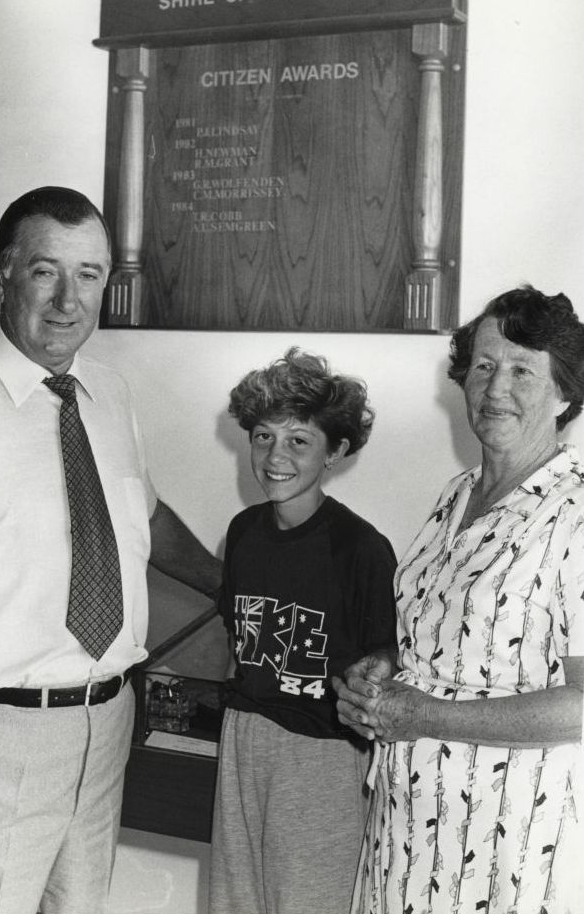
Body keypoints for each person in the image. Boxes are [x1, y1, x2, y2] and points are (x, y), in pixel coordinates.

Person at [0, 186, 221, 914]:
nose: (67, 299)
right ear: (2, 272)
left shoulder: (107, 395)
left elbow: (136, 515)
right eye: (45, 270)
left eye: (89, 274)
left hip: (102, 731)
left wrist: (228, 581)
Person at [334, 286, 584, 914]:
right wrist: (386, 674)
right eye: (483, 366)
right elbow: (449, 637)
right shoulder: (455, 495)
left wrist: (425, 716)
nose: (496, 388)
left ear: (565, 393)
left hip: (512, 847)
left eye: (523, 369)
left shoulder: (575, 511)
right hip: (406, 833)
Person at [208, 348, 397, 914]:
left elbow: (387, 649)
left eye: (298, 441)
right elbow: (236, 639)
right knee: (235, 900)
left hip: (322, 755)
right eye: (263, 436)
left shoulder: (360, 548)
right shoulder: (243, 531)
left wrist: (381, 668)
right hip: (245, 738)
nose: (274, 456)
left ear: (335, 451)